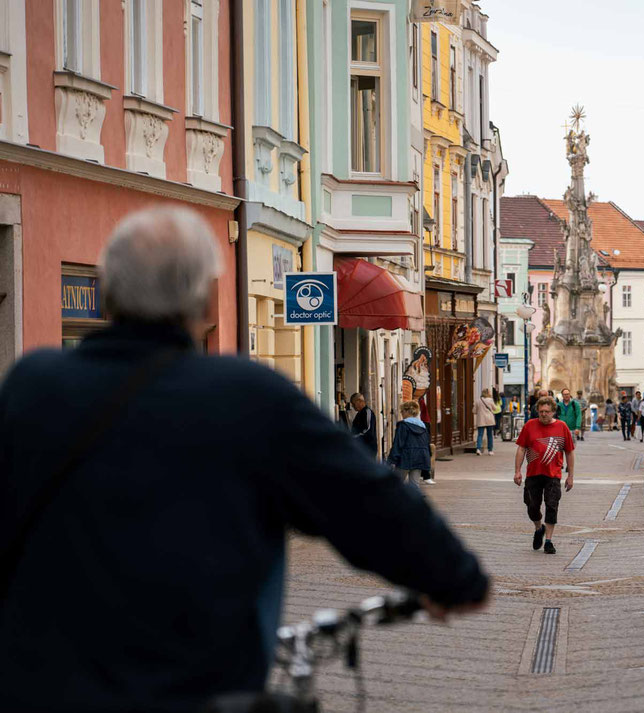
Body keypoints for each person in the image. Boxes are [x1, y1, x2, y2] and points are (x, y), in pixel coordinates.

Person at [0, 207, 488, 713]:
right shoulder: (247, 397)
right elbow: (368, 501)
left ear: (105, 290)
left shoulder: (31, 385)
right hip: (198, 689)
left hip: (39, 689)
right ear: (210, 298)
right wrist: (454, 578)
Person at [514, 396, 575, 555]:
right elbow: (521, 448)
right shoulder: (530, 425)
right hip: (533, 474)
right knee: (532, 506)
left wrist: (570, 476)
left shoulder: (562, 427)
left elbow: (569, 451)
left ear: (553, 412)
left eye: (547, 411)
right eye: (541, 411)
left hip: (553, 474)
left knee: (552, 505)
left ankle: (548, 541)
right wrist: (518, 471)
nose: (543, 414)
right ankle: (538, 528)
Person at [388, 400, 433, 485]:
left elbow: (398, 444)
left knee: (396, 485)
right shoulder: (423, 426)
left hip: (405, 458)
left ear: (407, 411)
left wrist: (391, 460)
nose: (401, 413)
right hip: (420, 458)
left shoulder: (403, 425)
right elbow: (426, 444)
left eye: (402, 411)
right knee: (415, 485)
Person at [474, 387, 497, 455]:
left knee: (480, 435)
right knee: (489, 435)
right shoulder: (490, 400)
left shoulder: (478, 400)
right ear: (488, 393)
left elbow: (474, 411)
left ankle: (478, 449)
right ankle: (490, 450)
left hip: (481, 419)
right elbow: (495, 408)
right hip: (489, 420)